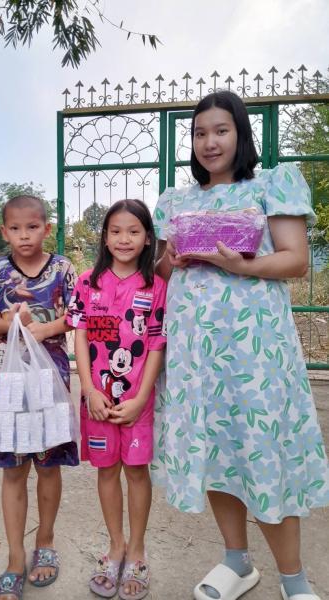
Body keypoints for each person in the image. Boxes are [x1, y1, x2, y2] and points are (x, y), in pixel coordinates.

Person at [153, 90, 329, 600]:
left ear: (240, 134)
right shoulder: (175, 200)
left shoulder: (271, 185)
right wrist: (172, 259)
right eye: (199, 133)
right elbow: (163, 270)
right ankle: (237, 562)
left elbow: (295, 260)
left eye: (220, 131)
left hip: (257, 354)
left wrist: (240, 266)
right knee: (216, 452)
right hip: (196, 355)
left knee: (264, 452)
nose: (209, 142)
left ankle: (294, 581)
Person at [0, 195, 79, 600]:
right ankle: (15, 558)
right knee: (14, 470)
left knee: (49, 466)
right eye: (16, 229)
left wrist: (46, 328)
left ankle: (46, 541)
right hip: (11, 384)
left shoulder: (63, 269)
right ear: (4, 232)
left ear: (46, 228)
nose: (25, 235)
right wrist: (9, 321)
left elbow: (78, 313)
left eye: (33, 227)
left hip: (51, 381)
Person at [67, 199, 167, 600]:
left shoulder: (156, 287)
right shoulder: (86, 283)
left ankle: (137, 551)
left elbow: (157, 344)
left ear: (148, 239)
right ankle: (115, 548)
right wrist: (89, 390)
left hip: (137, 404)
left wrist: (141, 398)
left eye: (134, 231)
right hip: (98, 403)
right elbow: (79, 337)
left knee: (137, 473)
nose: (124, 239)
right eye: (115, 231)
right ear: (105, 238)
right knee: (106, 471)